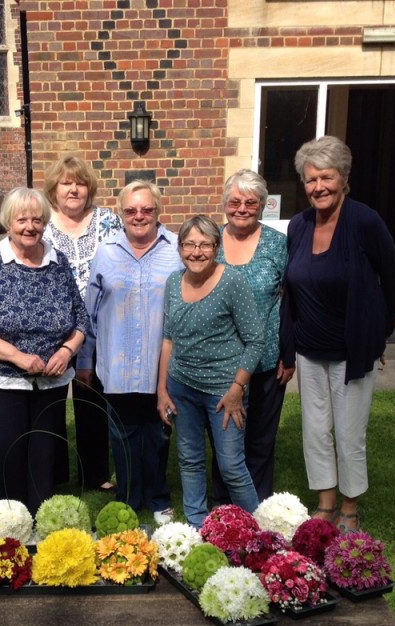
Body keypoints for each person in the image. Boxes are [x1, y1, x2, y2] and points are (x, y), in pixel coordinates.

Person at [283, 135, 395, 532]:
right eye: (311, 179)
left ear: (344, 179)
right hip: (309, 349)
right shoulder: (299, 226)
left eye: (327, 178)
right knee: (315, 430)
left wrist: (379, 334)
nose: (318, 187)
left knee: (350, 433)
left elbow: (392, 280)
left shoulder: (365, 221)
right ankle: (325, 501)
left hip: (352, 350)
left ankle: (350, 507)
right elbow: (291, 287)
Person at [0, 187, 89, 515]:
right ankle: (6, 538)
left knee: (43, 464)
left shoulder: (57, 261)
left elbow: (81, 318)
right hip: (1, 383)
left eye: (37, 219)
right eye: (22, 220)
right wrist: (17, 357)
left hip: (51, 384)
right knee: (7, 462)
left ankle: (43, 541)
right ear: (7, 223)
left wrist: (66, 350)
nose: (30, 226)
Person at [78, 180, 181, 526]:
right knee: (122, 436)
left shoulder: (177, 249)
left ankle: (157, 497)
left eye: (147, 209)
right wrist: (84, 360)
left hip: (160, 367)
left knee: (157, 434)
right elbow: (91, 311)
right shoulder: (106, 251)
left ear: (158, 211)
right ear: (121, 213)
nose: (139, 216)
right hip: (117, 366)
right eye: (131, 210)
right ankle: (127, 498)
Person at [157, 216, 264, 528]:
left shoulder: (232, 282)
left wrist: (237, 389)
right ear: (180, 249)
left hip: (223, 392)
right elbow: (168, 339)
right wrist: (162, 390)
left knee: (231, 465)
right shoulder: (173, 283)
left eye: (205, 244)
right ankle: (195, 526)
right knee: (189, 460)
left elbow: (256, 340)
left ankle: (259, 534)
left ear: (217, 247)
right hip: (182, 388)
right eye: (189, 244)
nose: (197, 251)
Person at [212, 169, 294, 503]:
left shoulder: (278, 244)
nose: (242, 208)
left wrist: (288, 354)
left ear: (262, 206)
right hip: (219, 362)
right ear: (225, 204)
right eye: (235, 201)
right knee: (225, 437)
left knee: (260, 439)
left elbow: (291, 301)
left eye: (251, 202)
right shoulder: (210, 241)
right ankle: (222, 508)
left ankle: (258, 509)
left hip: (267, 361)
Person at [42, 155, 122, 492]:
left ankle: (94, 473)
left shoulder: (107, 220)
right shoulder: (41, 222)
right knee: (52, 402)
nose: (73, 189)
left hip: (101, 328)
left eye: (80, 183)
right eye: (66, 183)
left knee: (93, 402)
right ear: (54, 188)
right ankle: (56, 473)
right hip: (53, 331)